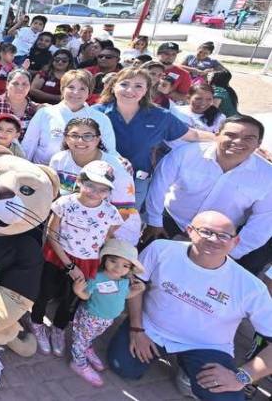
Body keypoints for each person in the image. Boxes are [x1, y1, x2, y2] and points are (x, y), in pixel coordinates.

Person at [106, 211, 272, 400]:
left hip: (206, 346)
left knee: (228, 397)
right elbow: (135, 284)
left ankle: (190, 368)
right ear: (190, 230)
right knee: (123, 367)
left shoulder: (251, 287)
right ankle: (182, 364)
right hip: (151, 328)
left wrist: (242, 377)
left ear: (235, 242)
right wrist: (136, 328)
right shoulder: (161, 249)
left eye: (224, 236)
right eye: (206, 232)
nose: (214, 240)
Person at [144, 115, 272, 275]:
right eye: (231, 135)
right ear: (217, 134)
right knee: (149, 270)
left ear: (258, 144)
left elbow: (263, 222)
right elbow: (159, 184)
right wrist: (154, 221)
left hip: (220, 238)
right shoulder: (186, 154)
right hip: (171, 221)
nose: (238, 142)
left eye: (249, 138)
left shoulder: (267, 176)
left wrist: (231, 252)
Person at [31, 160, 123, 361]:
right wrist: (70, 265)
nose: (94, 192)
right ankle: (36, 323)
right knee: (44, 293)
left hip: (87, 262)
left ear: (109, 192)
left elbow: (107, 238)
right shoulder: (65, 203)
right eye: (90, 185)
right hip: (58, 257)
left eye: (102, 189)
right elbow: (51, 233)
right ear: (80, 181)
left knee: (70, 300)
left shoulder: (111, 213)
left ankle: (58, 329)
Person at [93, 67, 214, 208]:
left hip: (136, 182)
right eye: (124, 84)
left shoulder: (160, 116)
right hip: (96, 179)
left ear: (146, 90)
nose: (130, 90)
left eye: (138, 86)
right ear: (113, 86)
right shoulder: (96, 113)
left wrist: (221, 138)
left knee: (125, 224)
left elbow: (192, 134)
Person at [49, 118, 140, 244]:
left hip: (110, 232)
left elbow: (124, 210)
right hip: (70, 231)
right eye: (74, 135)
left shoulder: (117, 167)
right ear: (66, 138)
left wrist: (99, 236)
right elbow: (55, 196)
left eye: (88, 136)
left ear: (97, 139)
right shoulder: (58, 160)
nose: (80, 141)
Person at [68, 240, 146, 387]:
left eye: (125, 265)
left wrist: (137, 290)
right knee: (81, 339)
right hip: (91, 317)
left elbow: (123, 295)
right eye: (113, 261)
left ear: (130, 268)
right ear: (105, 259)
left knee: (91, 336)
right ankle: (78, 362)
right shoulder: (97, 277)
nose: (118, 268)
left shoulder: (124, 280)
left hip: (107, 320)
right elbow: (86, 295)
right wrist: (78, 290)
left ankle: (86, 348)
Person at [21, 70, 116, 165]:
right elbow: (28, 145)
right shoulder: (44, 113)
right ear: (62, 90)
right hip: (44, 172)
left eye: (82, 89)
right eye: (71, 87)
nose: (75, 92)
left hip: (85, 175)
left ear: (89, 93)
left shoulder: (101, 119)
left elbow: (109, 151)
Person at [0, 69, 38, 137]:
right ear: (7, 85)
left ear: (30, 86)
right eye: (15, 83)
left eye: (24, 84)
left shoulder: (35, 109)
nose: (20, 88)